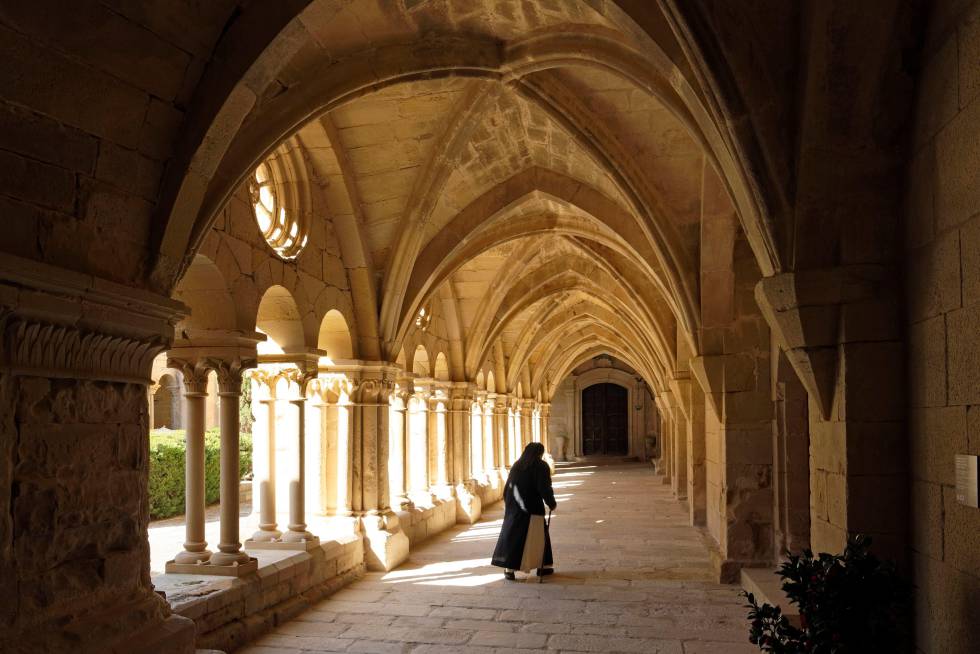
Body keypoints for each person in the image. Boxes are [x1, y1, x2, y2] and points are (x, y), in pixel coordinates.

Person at [491, 442, 557, 580]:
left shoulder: (517, 464)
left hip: (514, 505)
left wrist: (509, 504)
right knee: (536, 537)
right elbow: (544, 488)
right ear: (540, 453)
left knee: (513, 536)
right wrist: (551, 503)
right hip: (531, 508)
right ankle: (542, 566)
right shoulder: (541, 466)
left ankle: (509, 569)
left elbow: (508, 486)